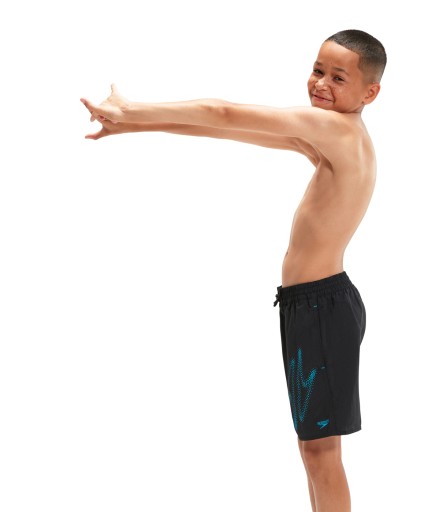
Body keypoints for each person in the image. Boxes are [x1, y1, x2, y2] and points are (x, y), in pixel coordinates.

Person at [81, 28, 386, 512]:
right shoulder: (335, 136)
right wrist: (132, 127)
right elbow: (227, 129)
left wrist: (134, 109)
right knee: (313, 450)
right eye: (317, 70)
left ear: (370, 93)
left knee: (321, 454)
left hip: (321, 311)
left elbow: (222, 112)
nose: (321, 83)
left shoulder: (335, 130)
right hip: (314, 306)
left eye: (338, 77)